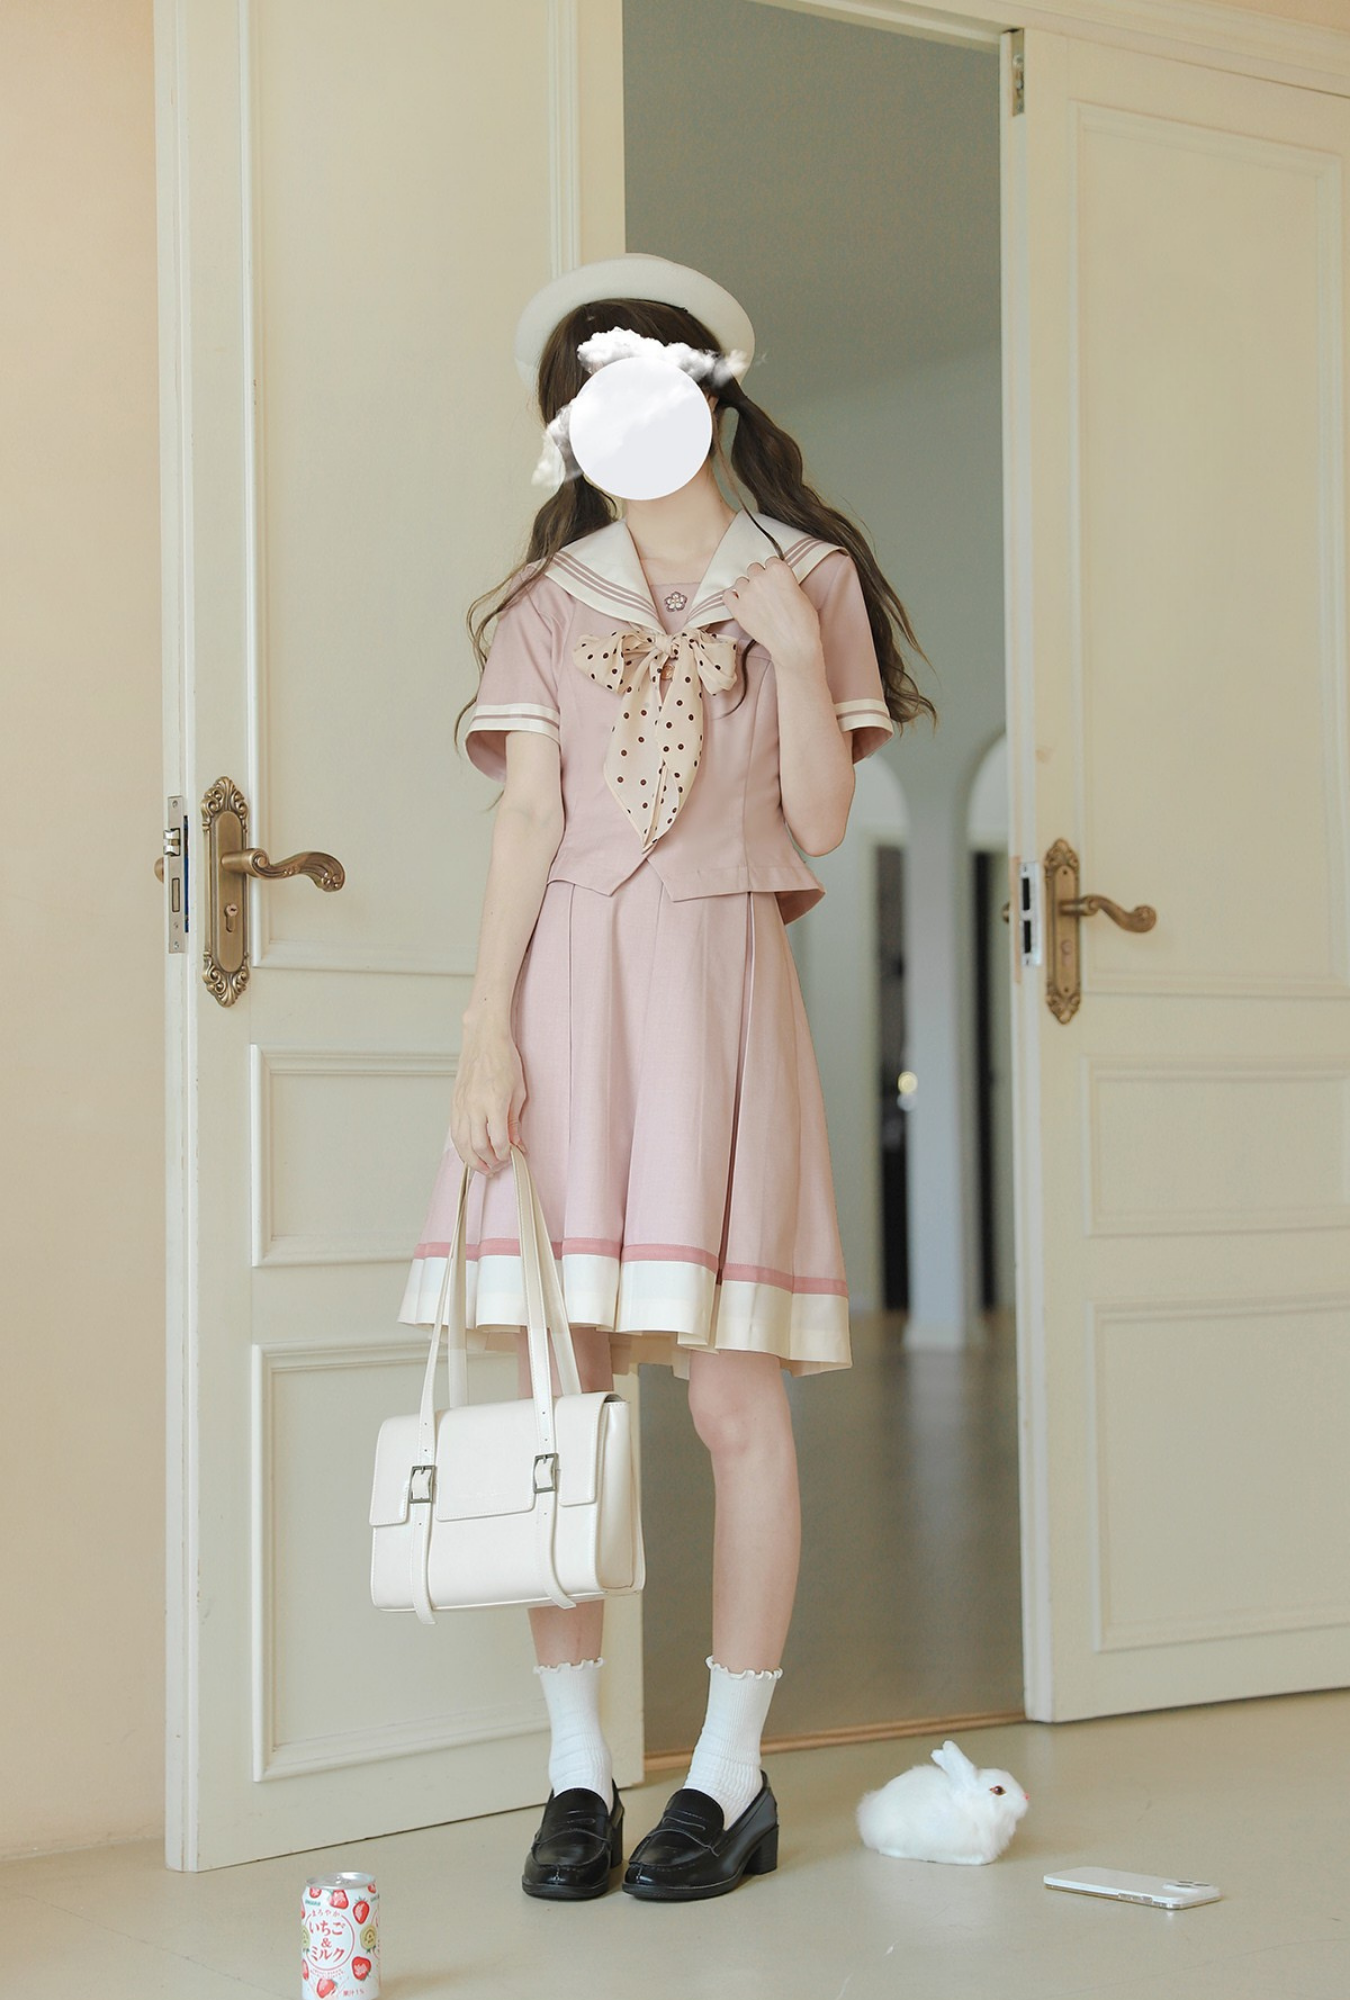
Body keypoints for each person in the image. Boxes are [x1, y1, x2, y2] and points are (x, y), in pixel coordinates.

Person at [396, 254, 936, 1902]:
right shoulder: (552, 598)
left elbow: (821, 821)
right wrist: (485, 1028)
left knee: (726, 1397)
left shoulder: (807, 576)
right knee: (559, 1398)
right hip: (564, 997)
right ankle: (576, 1773)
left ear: (703, 392)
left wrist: (786, 648)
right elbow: (529, 819)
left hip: (717, 993)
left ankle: (723, 1776)